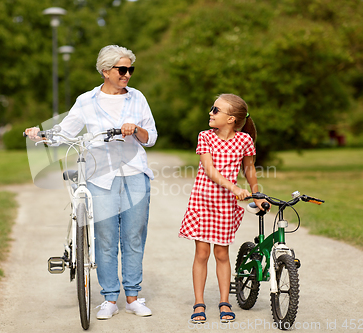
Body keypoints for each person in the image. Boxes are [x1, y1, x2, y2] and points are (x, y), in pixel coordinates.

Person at [25, 45, 157, 320]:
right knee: (105, 239)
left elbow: (152, 136)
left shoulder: (137, 98)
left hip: (134, 174)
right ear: (105, 71)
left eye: (130, 69)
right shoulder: (86, 100)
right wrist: (41, 134)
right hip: (100, 176)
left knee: (133, 238)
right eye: (122, 69)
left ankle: (133, 296)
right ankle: (109, 298)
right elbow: (65, 132)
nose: (128, 74)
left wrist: (137, 129)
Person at [178, 94, 266, 324]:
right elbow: (209, 170)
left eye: (216, 110)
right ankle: (199, 303)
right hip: (203, 201)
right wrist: (233, 186)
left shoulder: (244, 141)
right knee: (202, 253)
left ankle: (225, 301)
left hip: (225, 205)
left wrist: (256, 196)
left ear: (231, 119)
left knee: (221, 254)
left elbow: (250, 170)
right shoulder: (205, 137)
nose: (210, 113)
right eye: (212, 108)